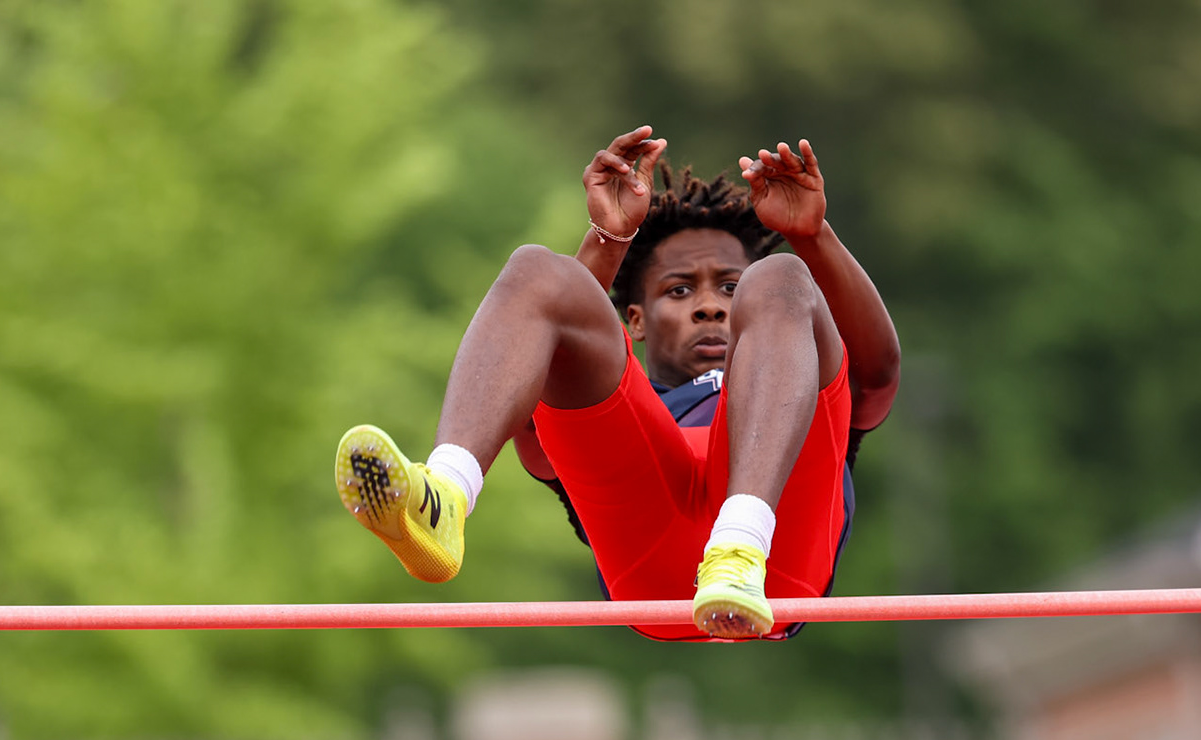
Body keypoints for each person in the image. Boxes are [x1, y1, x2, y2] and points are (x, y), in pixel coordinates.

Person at [334, 126, 901, 640]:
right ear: (635, 320)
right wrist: (607, 237)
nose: (709, 307)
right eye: (680, 290)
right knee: (535, 270)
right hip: (655, 568)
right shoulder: (623, 400)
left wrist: (812, 238)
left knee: (781, 275)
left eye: (730, 288)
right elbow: (535, 367)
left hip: (776, 562)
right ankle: (444, 496)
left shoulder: (794, 374)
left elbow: (875, 376)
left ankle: (739, 544)